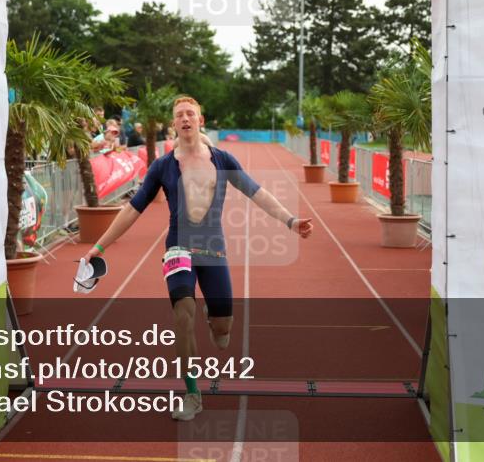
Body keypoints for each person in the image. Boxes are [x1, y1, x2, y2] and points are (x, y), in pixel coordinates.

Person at [84, 96, 313, 421]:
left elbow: (257, 192)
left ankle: (216, 318)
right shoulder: (162, 167)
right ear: (174, 124)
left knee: (222, 333)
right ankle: (192, 394)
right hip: (178, 247)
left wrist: (291, 221)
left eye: (191, 113)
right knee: (183, 313)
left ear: (200, 121)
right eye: (179, 115)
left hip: (213, 248)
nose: (186, 118)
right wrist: (99, 247)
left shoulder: (222, 160)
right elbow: (132, 209)